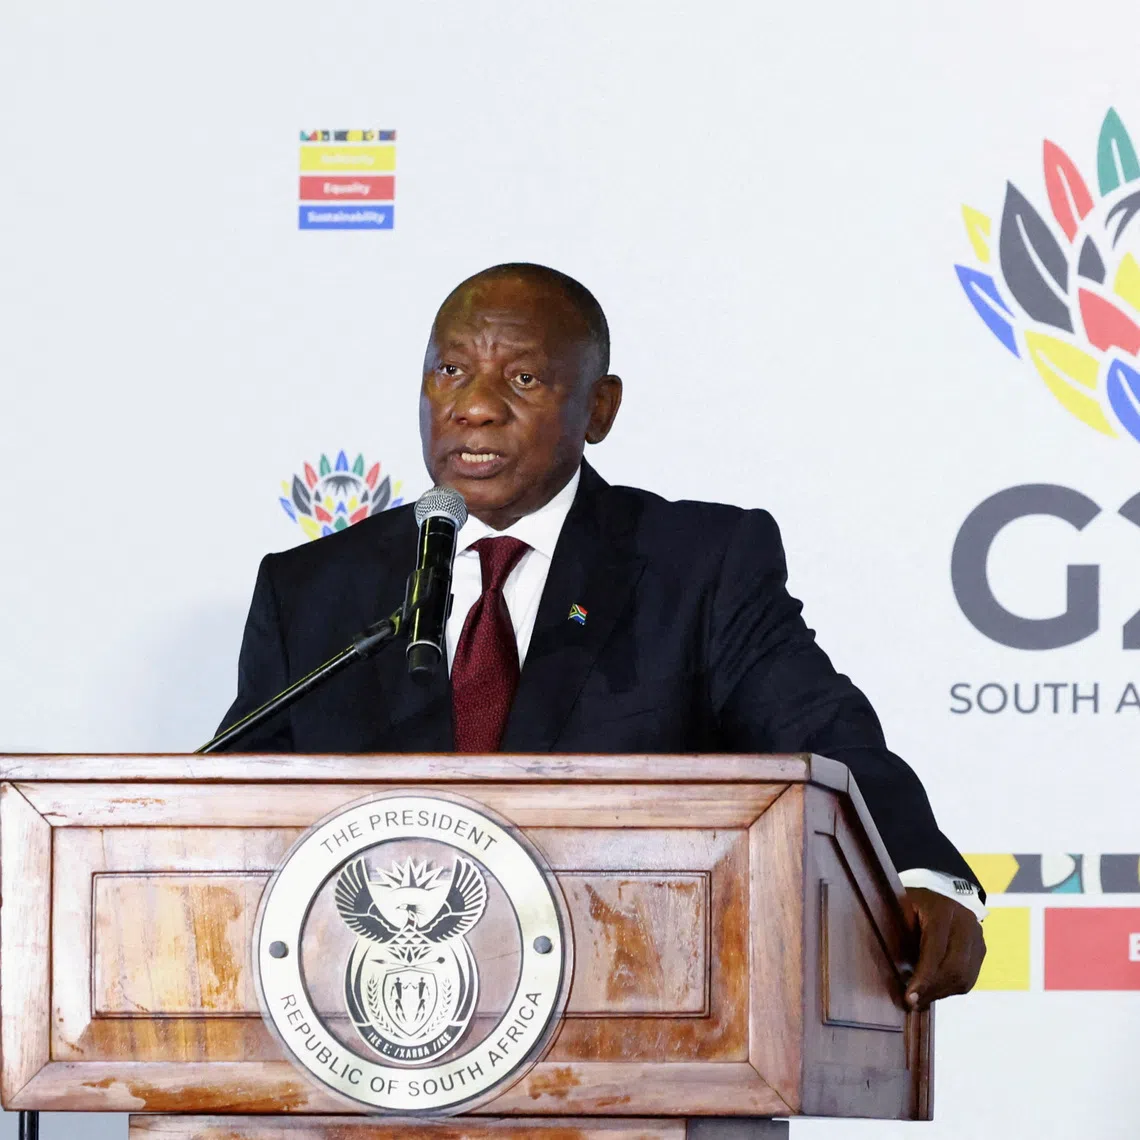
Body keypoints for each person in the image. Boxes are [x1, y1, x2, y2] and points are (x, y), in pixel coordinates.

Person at [219, 262, 986, 1008]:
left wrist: (917, 872)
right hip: (366, 1028)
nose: (474, 407)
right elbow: (230, 805)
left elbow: (823, 731)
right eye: (450, 371)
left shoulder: (696, 568)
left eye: (522, 380)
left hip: (630, 1004)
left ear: (599, 409)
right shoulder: (314, 590)